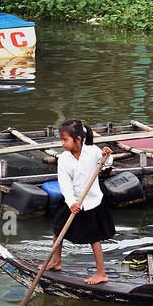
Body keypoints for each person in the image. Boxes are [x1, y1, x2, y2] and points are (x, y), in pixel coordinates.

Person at [43, 119, 115, 286]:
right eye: (61, 139)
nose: (62, 143)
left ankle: (101, 273)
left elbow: (106, 165)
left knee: (94, 238)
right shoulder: (64, 159)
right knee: (57, 230)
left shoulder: (92, 151)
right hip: (72, 201)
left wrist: (107, 155)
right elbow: (64, 184)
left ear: (78, 139)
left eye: (65, 139)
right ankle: (56, 261)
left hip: (91, 201)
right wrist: (71, 203)